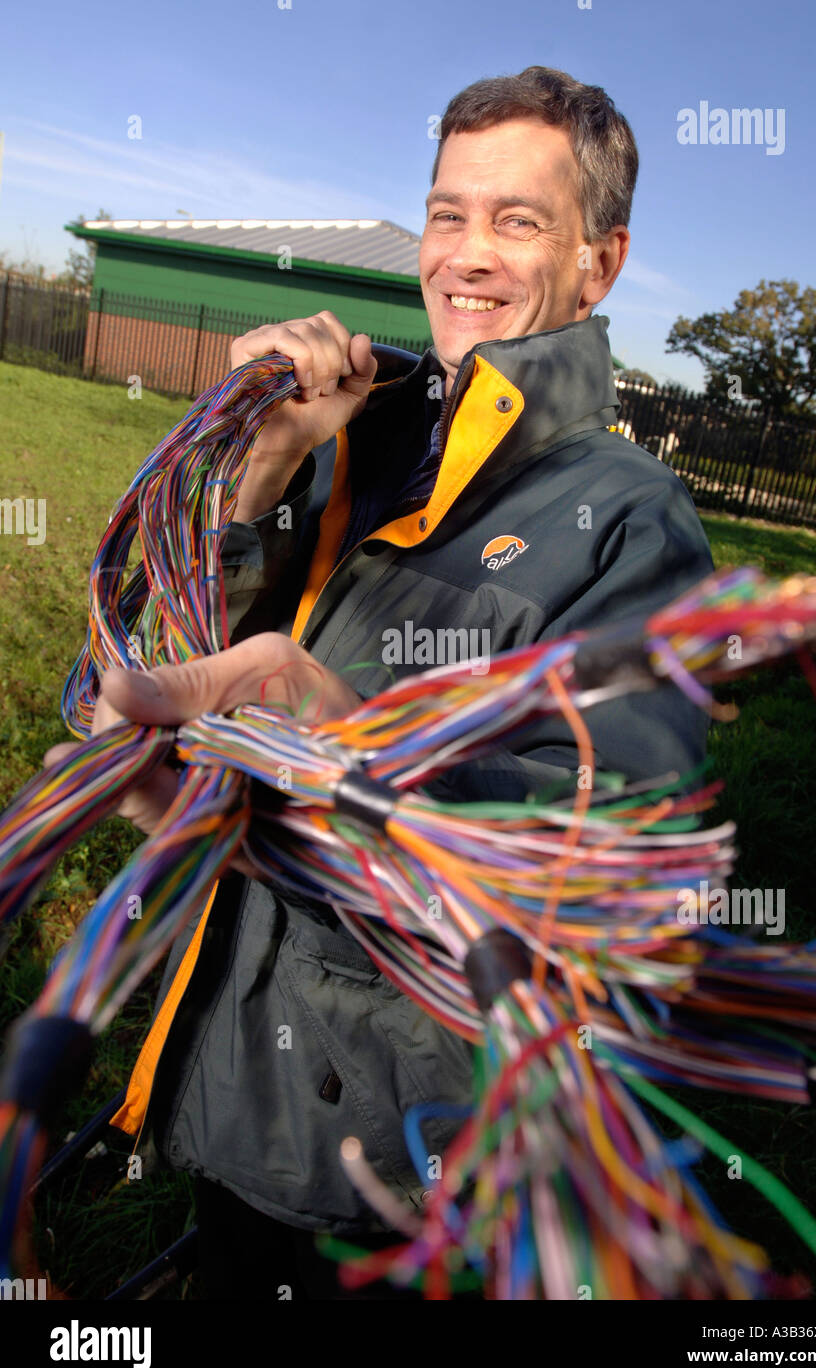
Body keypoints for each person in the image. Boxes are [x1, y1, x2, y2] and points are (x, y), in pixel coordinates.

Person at [47, 66, 714, 1299]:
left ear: (598, 264)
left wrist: (344, 741)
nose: (464, 254)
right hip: (232, 1051)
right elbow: (162, 649)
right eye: (447, 213)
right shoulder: (361, 425)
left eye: (516, 220)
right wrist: (255, 474)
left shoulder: (635, 524)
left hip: (395, 1138)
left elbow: (614, 880)